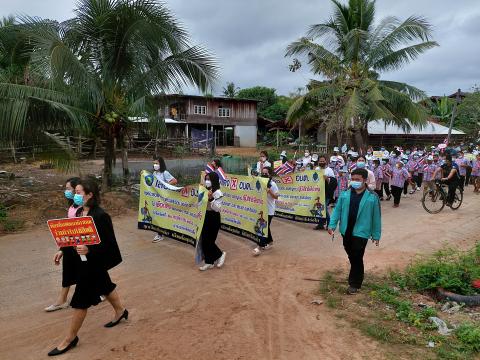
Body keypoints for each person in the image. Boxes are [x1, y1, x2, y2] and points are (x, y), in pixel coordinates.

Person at [48, 179, 126, 356]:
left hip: (93, 264)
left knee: (80, 301)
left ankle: (70, 338)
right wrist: (62, 249)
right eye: (74, 192)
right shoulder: (78, 213)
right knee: (105, 286)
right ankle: (121, 311)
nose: (75, 195)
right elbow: (73, 235)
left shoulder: (101, 216)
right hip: (82, 262)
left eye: (78, 192)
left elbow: (110, 245)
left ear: (90, 194)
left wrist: (90, 249)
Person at [328, 168, 381, 295]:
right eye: (353, 179)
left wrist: (376, 234)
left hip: (361, 232)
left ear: (365, 180)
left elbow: (376, 216)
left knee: (357, 256)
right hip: (346, 230)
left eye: (358, 180)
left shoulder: (372, 197)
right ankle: (356, 274)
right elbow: (337, 211)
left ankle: (355, 283)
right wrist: (332, 225)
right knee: (351, 255)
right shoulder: (345, 193)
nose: (355, 182)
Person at [45, 177, 81, 313]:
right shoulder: (72, 206)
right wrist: (62, 249)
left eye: (68, 189)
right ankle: (62, 300)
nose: (66, 191)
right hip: (71, 245)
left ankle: (103, 291)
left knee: (90, 271)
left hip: (82, 246)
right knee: (68, 271)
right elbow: (69, 228)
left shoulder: (84, 208)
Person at [199, 172, 226, 271]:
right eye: (206, 179)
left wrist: (211, 198)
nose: (207, 181)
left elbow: (217, 208)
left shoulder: (218, 192)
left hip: (214, 217)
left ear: (214, 180)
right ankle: (209, 262)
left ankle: (220, 254)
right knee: (204, 240)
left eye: (209, 179)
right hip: (205, 216)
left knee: (209, 240)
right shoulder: (205, 190)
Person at [253, 166, 279, 256]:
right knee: (266, 227)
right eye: (262, 173)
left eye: (265, 173)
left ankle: (259, 246)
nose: (264, 174)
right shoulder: (260, 182)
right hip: (261, 209)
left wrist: (269, 191)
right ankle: (270, 241)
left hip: (269, 210)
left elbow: (276, 197)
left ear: (270, 174)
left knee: (263, 227)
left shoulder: (273, 184)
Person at [152, 156, 177, 243]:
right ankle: (161, 233)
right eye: (154, 163)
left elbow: (174, 181)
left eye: (157, 163)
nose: (155, 165)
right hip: (156, 198)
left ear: (161, 164)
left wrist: (164, 184)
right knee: (158, 215)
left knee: (161, 215)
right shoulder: (154, 173)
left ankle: (160, 234)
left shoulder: (164, 173)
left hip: (164, 199)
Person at [315, 155, 336, 230]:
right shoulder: (317, 169)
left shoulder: (329, 170)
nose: (322, 162)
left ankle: (329, 224)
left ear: (326, 161)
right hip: (318, 192)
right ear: (318, 162)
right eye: (320, 161)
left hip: (326, 192)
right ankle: (320, 223)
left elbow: (334, 182)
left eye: (323, 161)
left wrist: (327, 179)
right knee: (319, 208)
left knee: (323, 208)